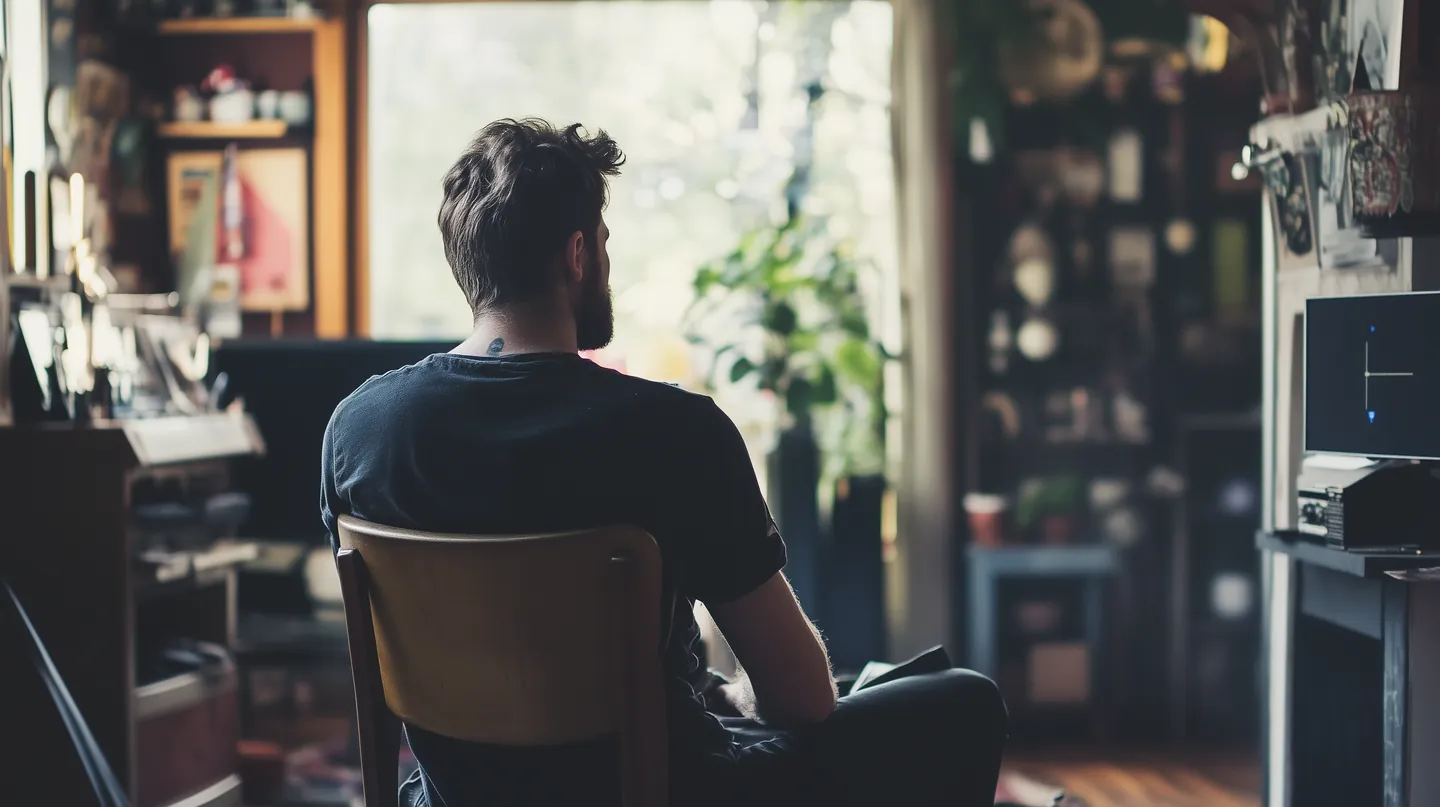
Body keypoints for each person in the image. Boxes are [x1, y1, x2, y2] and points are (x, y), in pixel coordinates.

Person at [321, 118, 1007, 807]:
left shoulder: (360, 430)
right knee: (963, 701)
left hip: (457, 797)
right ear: (579, 253)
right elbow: (802, 701)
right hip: (672, 791)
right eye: (606, 244)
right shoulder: (677, 430)